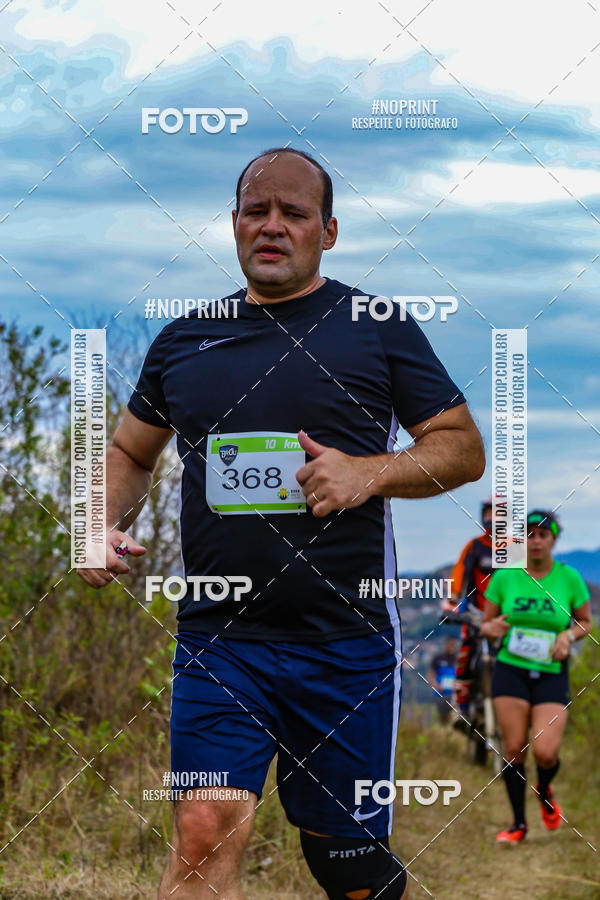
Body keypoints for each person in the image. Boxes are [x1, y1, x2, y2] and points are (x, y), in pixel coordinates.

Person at [78, 147, 485, 899]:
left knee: (348, 866)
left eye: (293, 213)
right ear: (233, 224)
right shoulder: (185, 340)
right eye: (255, 211)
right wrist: (93, 523)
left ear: (327, 231)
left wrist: (370, 471)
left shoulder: (377, 327)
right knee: (203, 833)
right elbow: (130, 453)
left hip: (345, 645)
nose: (272, 226)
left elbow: (461, 451)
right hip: (218, 643)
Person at [481, 510, 592, 844]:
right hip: (511, 670)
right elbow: (486, 624)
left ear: (554, 539)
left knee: (545, 752)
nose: (536, 540)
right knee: (514, 749)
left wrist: (567, 637)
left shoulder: (569, 578)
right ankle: (518, 825)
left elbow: (585, 622)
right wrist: (492, 628)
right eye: (529, 534)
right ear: (521, 540)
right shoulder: (506, 576)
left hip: (551, 673)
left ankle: (544, 790)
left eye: (543, 534)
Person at [448, 499, 494, 725]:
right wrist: (453, 598)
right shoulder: (474, 546)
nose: (493, 517)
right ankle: (461, 706)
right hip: (476, 613)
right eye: (489, 512)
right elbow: (459, 572)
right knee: (466, 652)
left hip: (505, 617)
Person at [427, 637, 458, 724]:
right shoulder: (438, 658)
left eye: (454, 645)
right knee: (443, 717)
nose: (452, 647)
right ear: (445, 645)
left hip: (454, 694)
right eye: (450, 645)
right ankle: (443, 732)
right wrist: (435, 684)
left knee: (455, 716)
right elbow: (430, 674)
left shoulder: (457, 659)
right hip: (440, 694)